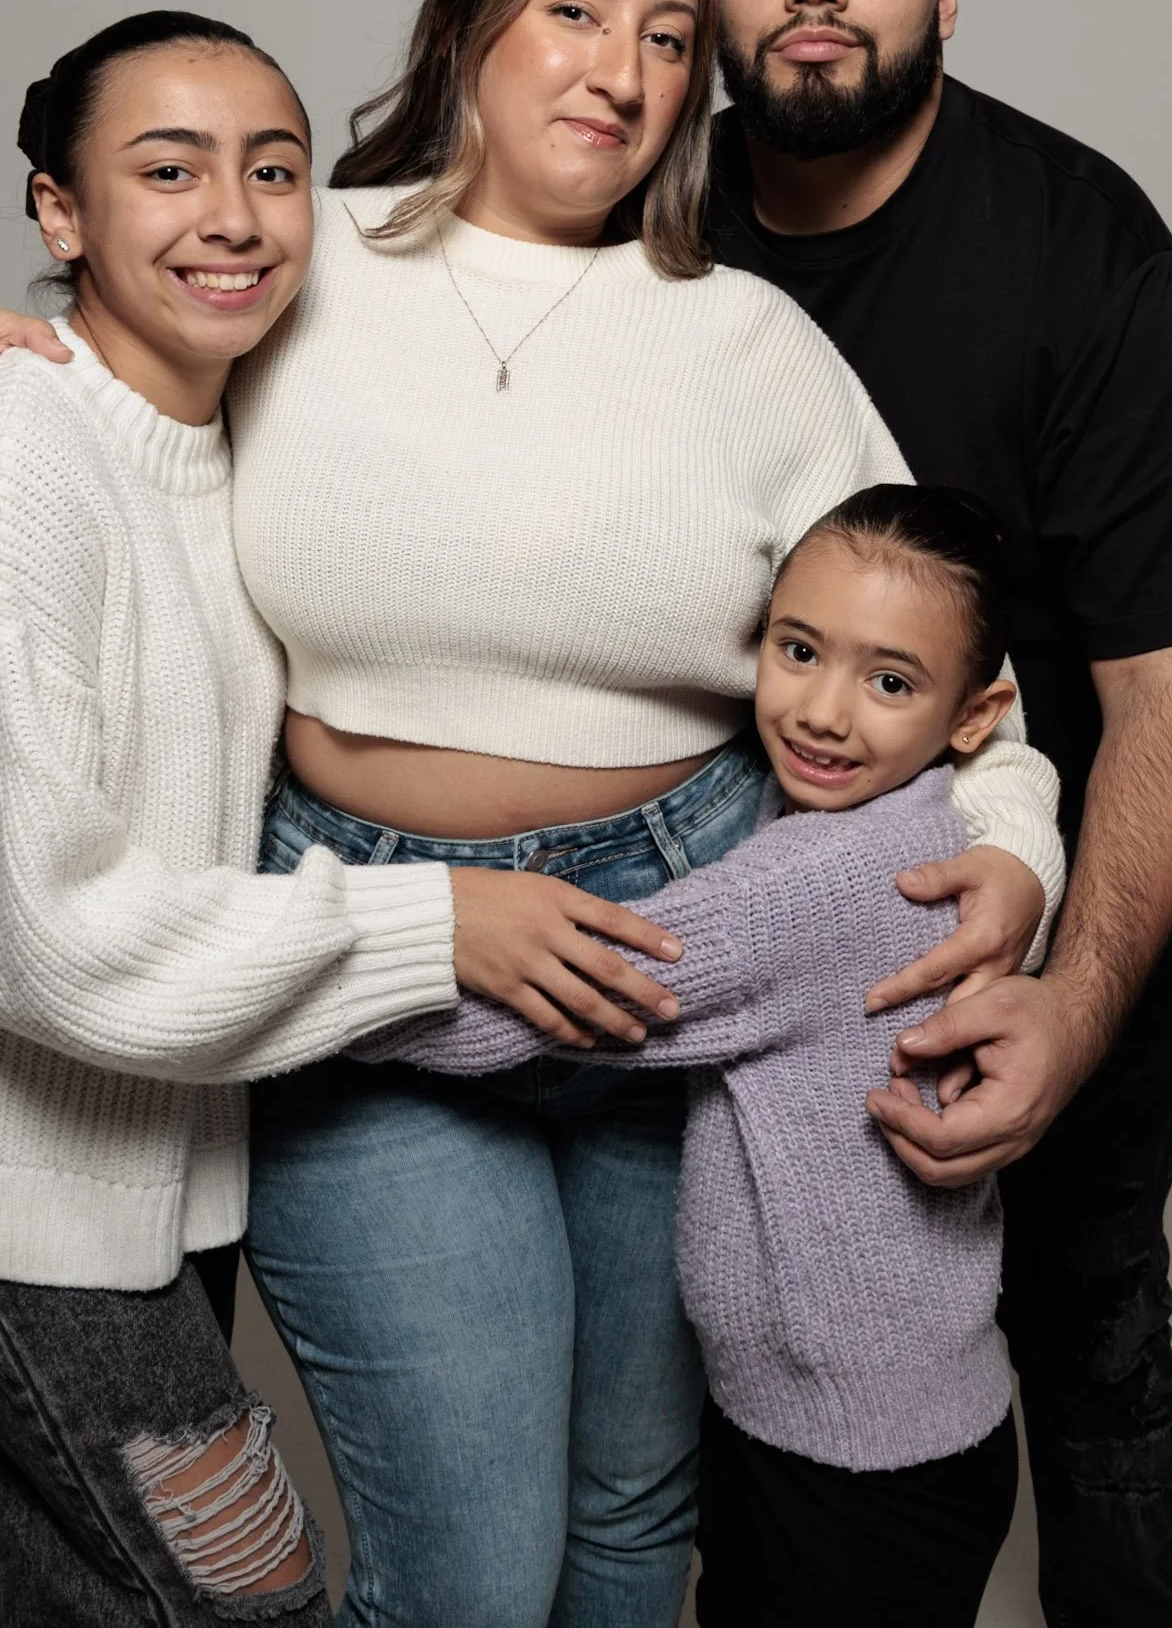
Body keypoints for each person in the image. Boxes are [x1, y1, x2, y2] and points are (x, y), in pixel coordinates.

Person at [0, 0, 1066, 1628]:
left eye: (667, 35)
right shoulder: (301, 252)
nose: (623, 69)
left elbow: (962, 672)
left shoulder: (748, 338)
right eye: (574, 9)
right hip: (368, 952)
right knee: (469, 1574)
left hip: (678, 949)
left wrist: (1017, 858)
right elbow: (123, 360)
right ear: (469, 23)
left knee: (633, 1522)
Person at [0, 9, 682, 1627]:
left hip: (151, 1139)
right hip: (15, 1163)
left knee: (80, 1595)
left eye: (273, 169)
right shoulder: (1, 456)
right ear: (58, 213)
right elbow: (33, 929)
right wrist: (440, 926)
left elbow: (474, 224)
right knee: (247, 1588)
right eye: (163, 170)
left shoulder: (225, 420)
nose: (233, 213)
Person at [702, 0, 1172, 1626]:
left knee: (1091, 1347)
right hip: (733, 951)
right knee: (721, 1412)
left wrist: (1077, 997)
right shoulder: (639, 213)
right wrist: (27, 327)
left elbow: (1170, 674)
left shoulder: (1082, 246)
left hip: (1030, 932)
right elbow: (315, 254)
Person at [362, 482, 1053, 1628]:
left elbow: (547, 1006)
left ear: (976, 717)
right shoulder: (905, 820)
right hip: (861, 1422)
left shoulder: (820, 879)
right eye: (798, 650)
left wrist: (315, 987)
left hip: (858, 1464)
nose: (825, 711)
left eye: (890, 681)